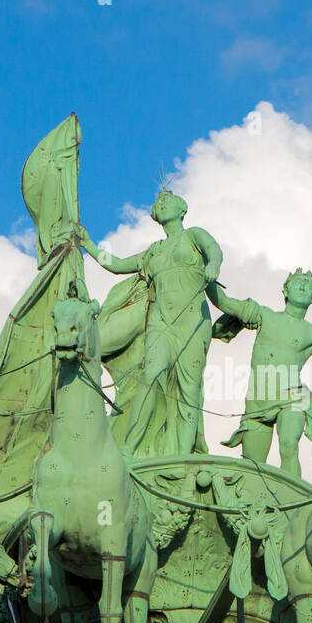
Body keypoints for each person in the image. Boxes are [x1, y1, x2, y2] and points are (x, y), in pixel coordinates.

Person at [80, 190, 222, 457]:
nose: (163, 201)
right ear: (155, 215)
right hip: (161, 322)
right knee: (150, 374)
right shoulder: (154, 251)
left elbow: (214, 250)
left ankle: (181, 457)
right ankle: (129, 447)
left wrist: (213, 265)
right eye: (159, 202)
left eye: (169, 199)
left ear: (182, 208)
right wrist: (87, 243)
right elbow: (118, 264)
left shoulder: (194, 236)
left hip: (193, 322)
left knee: (188, 388)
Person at [210, 268, 312, 478]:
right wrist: (205, 276)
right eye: (297, 282)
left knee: (289, 446)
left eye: (308, 285)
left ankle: (291, 505)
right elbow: (225, 303)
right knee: (251, 468)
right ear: (285, 291)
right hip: (257, 402)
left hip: (292, 398)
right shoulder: (264, 315)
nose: (301, 286)